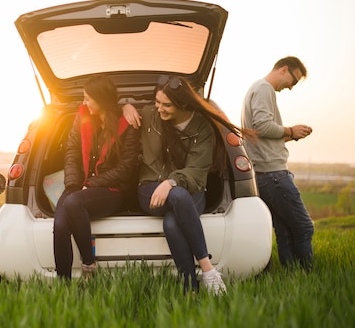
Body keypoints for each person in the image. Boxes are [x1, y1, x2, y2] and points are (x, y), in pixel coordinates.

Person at [124, 75, 250, 295]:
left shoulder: (202, 127)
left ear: (183, 104)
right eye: (157, 102)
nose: (159, 108)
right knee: (178, 196)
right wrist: (126, 106)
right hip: (150, 189)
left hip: (191, 188)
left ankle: (190, 288)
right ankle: (208, 270)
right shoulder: (150, 115)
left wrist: (171, 183)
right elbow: (115, 105)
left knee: (173, 222)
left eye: (166, 105)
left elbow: (196, 169)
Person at [53, 75, 140, 280]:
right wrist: (74, 183)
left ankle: (89, 266)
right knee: (60, 226)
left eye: (87, 98)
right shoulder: (81, 117)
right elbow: (72, 151)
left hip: (111, 190)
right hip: (80, 185)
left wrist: (92, 183)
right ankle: (62, 282)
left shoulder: (125, 125)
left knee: (73, 202)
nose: (84, 102)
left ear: (101, 100)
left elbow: (126, 168)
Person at [241, 56, 314, 270]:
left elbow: (259, 132)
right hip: (274, 175)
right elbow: (263, 126)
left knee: (285, 232)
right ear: (283, 70)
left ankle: (293, 277)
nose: (291, 88)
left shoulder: (256, 88)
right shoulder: (264, 89)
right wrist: (290, 130)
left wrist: (293, 135)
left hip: (264, 174)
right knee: (303, 227)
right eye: (293, 81)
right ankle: (307, 277)